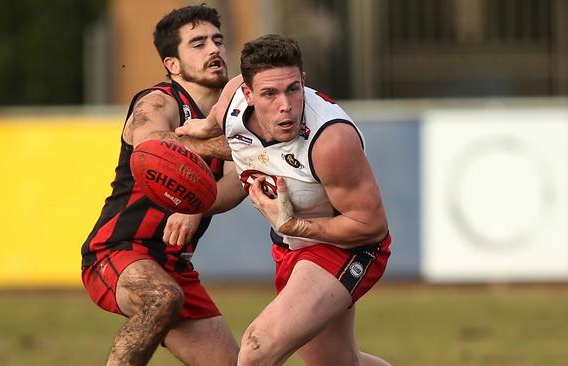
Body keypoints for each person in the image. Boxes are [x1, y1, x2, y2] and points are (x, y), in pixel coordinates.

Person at [176, 34, 393, 366]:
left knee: (256, 349)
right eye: (269, 94)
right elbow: (225, 112)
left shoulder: (331, 141)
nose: (285, 105)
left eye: (293, 89)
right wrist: (205, 128)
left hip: (347, 246)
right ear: (248, 94)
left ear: (303, 81)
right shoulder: (233, 100)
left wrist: (297, 224)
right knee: (336, 362)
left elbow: (371, 226)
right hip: (291, 244)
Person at [80, 5, 245, 366]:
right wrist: (244, 146)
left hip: (174, 266)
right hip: (118, 251)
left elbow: (239, 181)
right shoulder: (157, 101)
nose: (214, 49)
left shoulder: (235, 117)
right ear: (172, 64)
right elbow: (152, 147)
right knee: (162, 298)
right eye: (198, 43)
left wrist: (200, 204)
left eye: (218, 40)